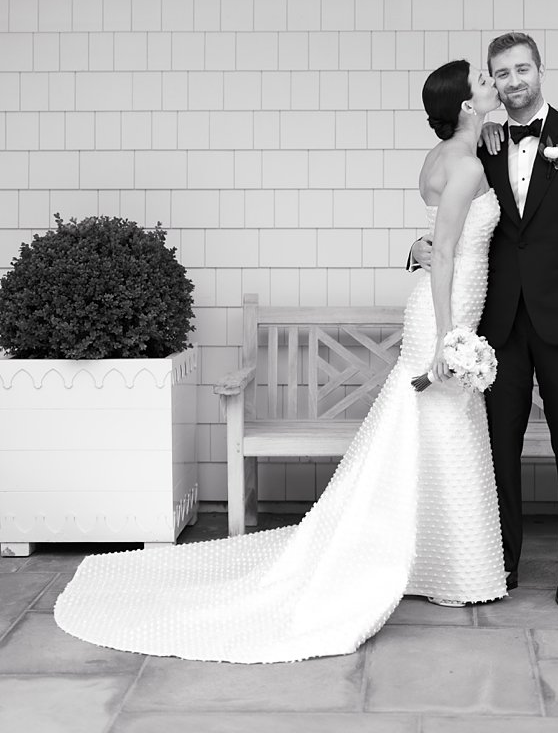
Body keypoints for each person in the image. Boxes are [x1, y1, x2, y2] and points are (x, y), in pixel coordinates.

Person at [54, 59, 510, 663]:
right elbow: (445, 252)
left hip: (446, 298)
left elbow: (431, 240)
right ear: (464, 106)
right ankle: (448, 568)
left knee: (435, 431)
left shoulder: (444, 157)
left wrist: (425, 263)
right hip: (446, 306)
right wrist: (451, 337)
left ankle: (431, 560)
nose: (492, 84)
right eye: (482, 82)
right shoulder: (469, 163)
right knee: (445, 427)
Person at [411, 32, 558, 608]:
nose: (512, 82)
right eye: (500, 74)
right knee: (497, 445)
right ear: (492, 82)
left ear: (540, 71)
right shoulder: (480, 145)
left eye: (521, 69)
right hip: (498, 322)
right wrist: (420, 246)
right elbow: (455, 224)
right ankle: (500, 558)